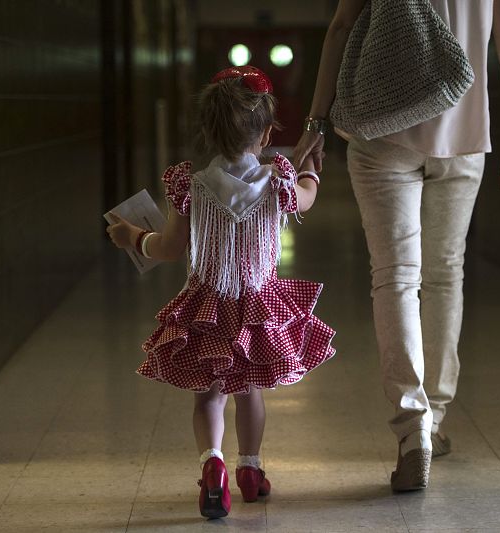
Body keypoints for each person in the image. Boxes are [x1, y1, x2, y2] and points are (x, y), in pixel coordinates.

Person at [293, 0, 500, 491]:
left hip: (383, 129)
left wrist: (315, 125)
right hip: (464, 133)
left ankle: (412, 428)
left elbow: (341, 28)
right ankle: (436, 417)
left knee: (395, 277)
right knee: (445, 275)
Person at [106, 65, 335, 519]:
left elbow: (169, 248)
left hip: (208, 306)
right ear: (266, 134)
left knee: (208, 394)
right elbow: (307, 197)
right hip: (257, 307)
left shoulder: (190, 186)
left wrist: (133, 237)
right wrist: (310, 168)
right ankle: (250, 468)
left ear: (208, 133)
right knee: (249, 390)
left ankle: (213, 466)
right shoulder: (278, 181)